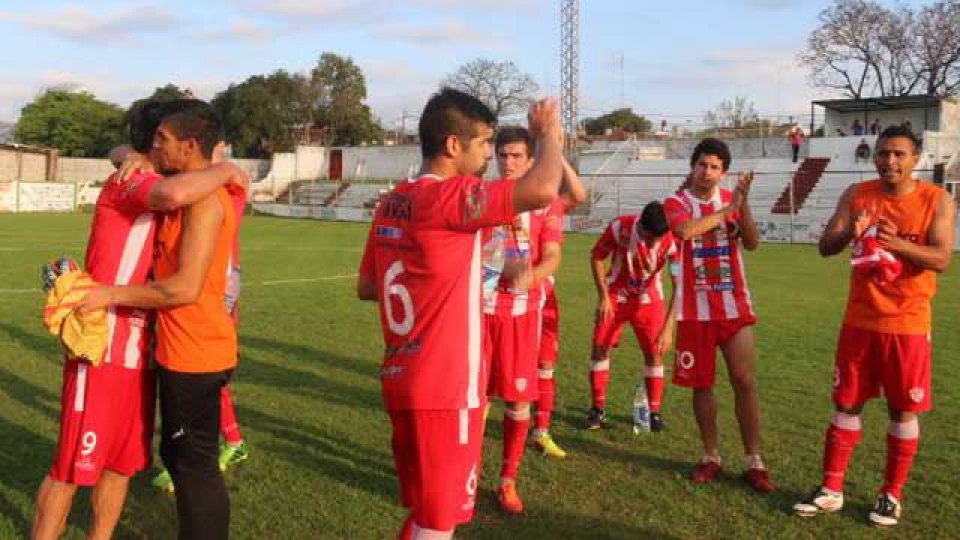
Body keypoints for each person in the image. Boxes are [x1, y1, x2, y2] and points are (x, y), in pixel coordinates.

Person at [31, 100, 248, 540]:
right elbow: (167, 191)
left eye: (162, 141)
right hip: (103, 342)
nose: (158, 147)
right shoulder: (131, 180)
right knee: (73, 464)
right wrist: (224, 168)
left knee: (125, 462)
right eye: (155, 141)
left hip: (151, 347)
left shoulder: (194, 191)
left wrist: (221, 169)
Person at [356, 88, 564, 540]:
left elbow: (369, 286)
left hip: (402, 374)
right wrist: (550, 134)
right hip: (446, 384)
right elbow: (544, 188)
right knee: (438, 525)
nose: (490, 154)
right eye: (485, 143)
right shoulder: (451, 196)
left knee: (424, 513)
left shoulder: (394, 200)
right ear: (454, 145)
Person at [793, 126, 954, 527]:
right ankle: (831, 490)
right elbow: (826, 246)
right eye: (883, 153)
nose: (890, 161)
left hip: (909, 324)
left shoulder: (937, 199)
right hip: (860, 321)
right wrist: (853, 229)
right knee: (846, 403)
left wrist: (898, 244)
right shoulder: (858, 195)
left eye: (899, 153)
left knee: (902, 410)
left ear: (916, 158)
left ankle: (890, 495)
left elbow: (941, 257)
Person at [663, 138, 775, 494]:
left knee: (743, 379)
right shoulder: (676, 202)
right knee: (702, 384)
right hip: (694, 311)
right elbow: (683, 231)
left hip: (733, 305)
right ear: (692, 166)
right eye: (701, 164)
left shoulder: (731, 200)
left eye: (714, 167)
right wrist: (728, 212)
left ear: (723, 172)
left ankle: (754, 460)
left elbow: (754, 243)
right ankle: (711, 455)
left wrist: (743, 206)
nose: (706, 172)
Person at [481, 126, 584, 512]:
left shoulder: (545, 204)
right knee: (478, 401)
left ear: (529, 159)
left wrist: (532, 276)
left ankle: (507, 480)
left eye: (516, 156)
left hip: (522, 316)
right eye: (503, 155)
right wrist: (499, 267)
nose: (508, 162)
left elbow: (553, 255)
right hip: (481, 311)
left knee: (518, 401)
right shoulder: (482, 195)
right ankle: (469, 475)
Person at [586, 201, 676, 433]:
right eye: (649, 238)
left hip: (650, 300)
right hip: (616, 296)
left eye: (657, 239)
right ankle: (597, 409)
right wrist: (603, 296)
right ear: (641, 227)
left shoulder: (673, 237)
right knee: (599, 348)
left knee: (655, 353)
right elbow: (596, 256)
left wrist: (669, 327)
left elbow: (680, 284)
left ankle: (654, 412)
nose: (653, 243)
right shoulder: (620, 228)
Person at [532, 150, 586, 459]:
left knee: (545, 365)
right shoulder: (506, 199)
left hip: (542, 297)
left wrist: (558, 155)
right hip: (504, 297)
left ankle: (541, 432)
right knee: (492, 370)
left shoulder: (552, 203)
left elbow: (578, 194)